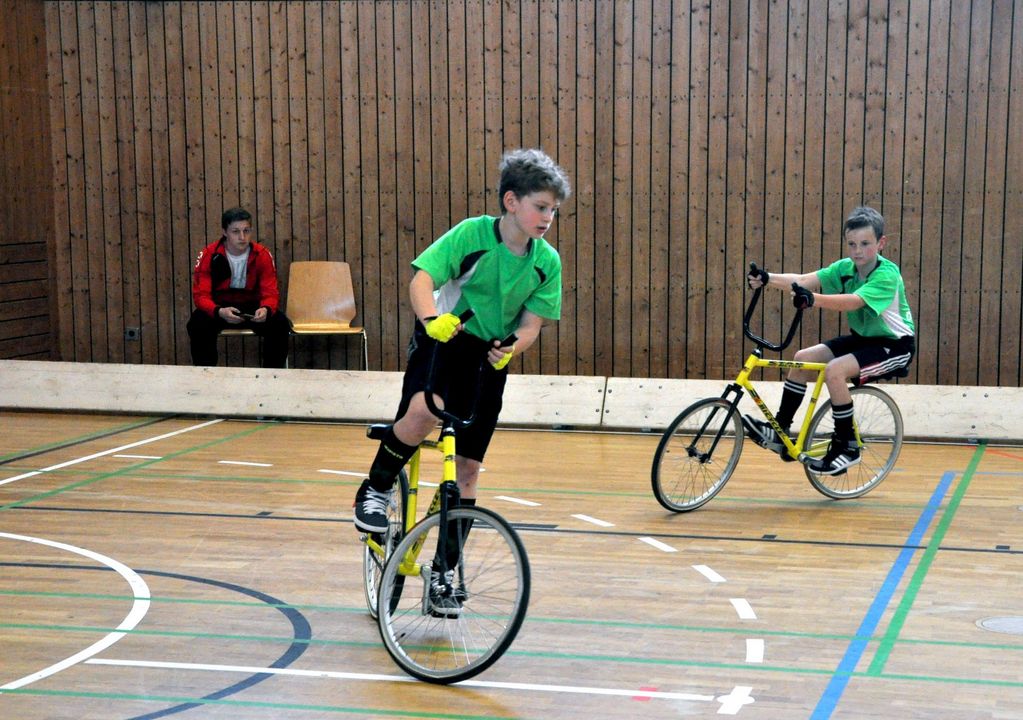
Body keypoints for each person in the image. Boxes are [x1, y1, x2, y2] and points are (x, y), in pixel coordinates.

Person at [353, 148, 571, 613]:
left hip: (487, 357)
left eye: (553, 209)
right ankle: (375, 486)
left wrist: (513, 347)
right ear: (511, 201)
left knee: (468, 468)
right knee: (425, 409)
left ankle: (444, 571)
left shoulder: (545, 262)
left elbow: (532, 324)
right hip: (444, 334)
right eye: (540, 206)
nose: (548, 217)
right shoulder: (472, 234)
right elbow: (422, 277)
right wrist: (431, 318)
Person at [746, 205, 915, 475]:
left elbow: (853, 302)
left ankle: (848, 446)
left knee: (834, 370)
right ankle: (781, 431)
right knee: (802, 358)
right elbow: (802, 280)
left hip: (893, 347)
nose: (857, 250)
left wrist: (813, 299)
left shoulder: (887, 275)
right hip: (863, 340)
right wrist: (767, 278)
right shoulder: (845, 268)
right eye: (852, 244)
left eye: (865, 243)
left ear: (881, 243)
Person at [187, 207, 291, 369]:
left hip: (252, 306)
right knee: (198, 323)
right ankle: (205, 376)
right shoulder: (209, 254)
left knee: (280, 324)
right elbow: (201, 296)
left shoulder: (262, 254)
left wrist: (266, 309)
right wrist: (218, 311)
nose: (242, 237)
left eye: (246, 231)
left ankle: (273, 377)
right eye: (236, 231)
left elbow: (270, 292)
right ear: (225, 232)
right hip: (220, 307)